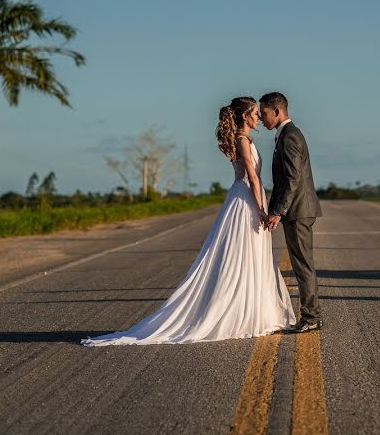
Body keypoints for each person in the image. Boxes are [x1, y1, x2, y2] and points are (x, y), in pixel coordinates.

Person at [81, 96, 294, 346]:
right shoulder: (242, 140)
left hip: (241, 198)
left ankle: (251, 312)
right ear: (245, 116)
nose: (259, 117)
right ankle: (240, 314)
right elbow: (253, 179)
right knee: (241, 257)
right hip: (246, 201)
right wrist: (261, 210)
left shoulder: (242, 139)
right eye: (256, 113)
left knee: (248, 257)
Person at [259, 92, 323, 333]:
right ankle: (312, 315)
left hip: (298, 210)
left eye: (264, 114)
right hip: (297, 209)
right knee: (301, 263)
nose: (261, 119)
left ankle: (312, 317)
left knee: (303, 264)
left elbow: (292, 179)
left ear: (278, 111)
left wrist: (278, 211)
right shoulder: (285, 135)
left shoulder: (289, 137)